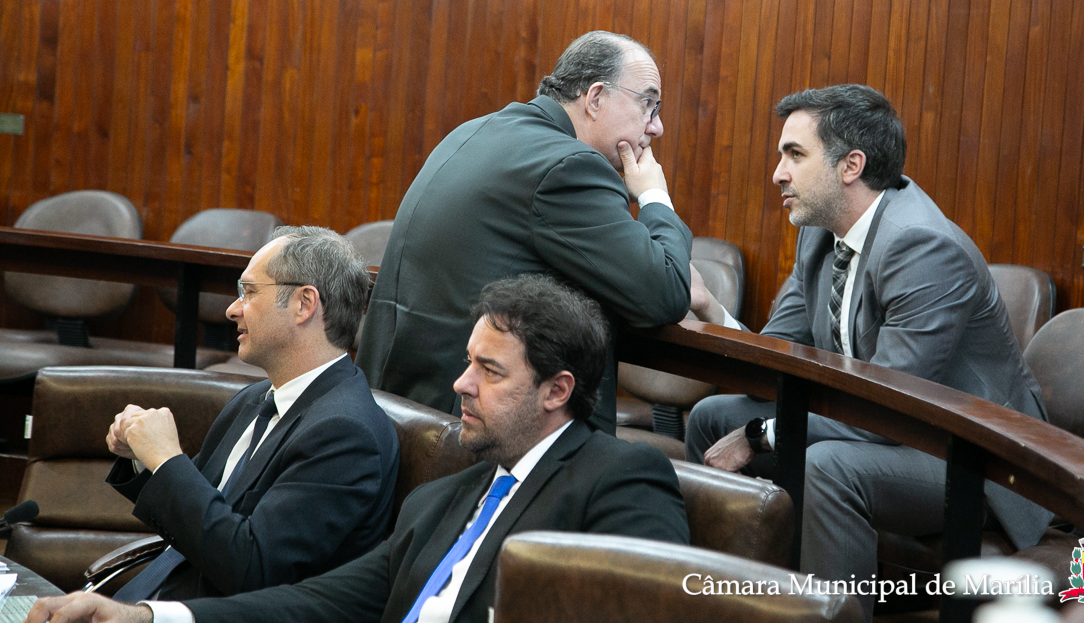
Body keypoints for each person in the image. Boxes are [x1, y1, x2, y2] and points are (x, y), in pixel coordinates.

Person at [28, 274, 690, 623]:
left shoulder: (618, 475)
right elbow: (316, 602)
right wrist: (144, 616)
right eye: (467, 362)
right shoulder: (442, 500)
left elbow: (648, 610)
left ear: (557, 390)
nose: (460, 384)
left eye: (489, 371)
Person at [683, 85, 1051, 621]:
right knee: (713, 417)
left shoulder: (922, 245)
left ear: (851, 166)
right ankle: (730, 603)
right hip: (888, 425)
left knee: (829, 467)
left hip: (972, 453)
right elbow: (774, 357)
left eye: (795, 154)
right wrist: (708, 307)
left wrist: (760, 435)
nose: (778, 174)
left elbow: (886, 405)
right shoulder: (820, 234)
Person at [355, 30, 692, 434]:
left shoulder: (473, 131)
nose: (656, 127)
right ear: (596, 97)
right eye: (648, 104)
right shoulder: (568, 167)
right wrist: (655, 196)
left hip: (397, 405)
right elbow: (665, 292)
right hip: (475, 426)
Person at [98, 226, 399, 602]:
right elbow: (199, 516)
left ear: (304, 304)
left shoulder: (347, 433)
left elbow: (252, 568)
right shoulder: (254, 399)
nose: (232, 309)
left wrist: (166, 459)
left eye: (249, 292)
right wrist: (145, 457)